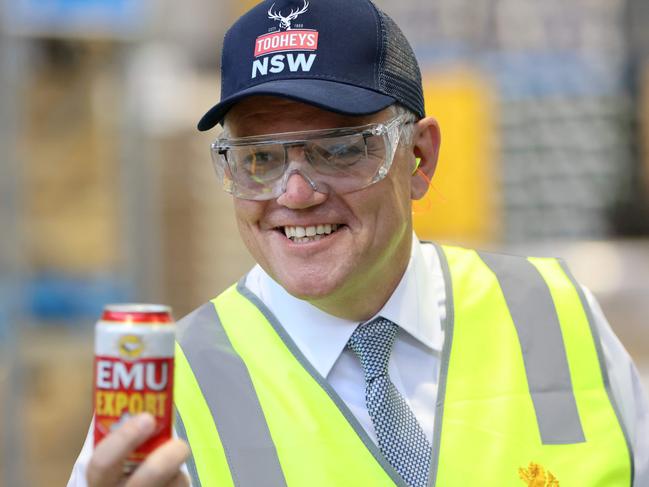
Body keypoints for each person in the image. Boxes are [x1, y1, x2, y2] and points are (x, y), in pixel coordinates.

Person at [69, 0, 649, 485]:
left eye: (340, 148)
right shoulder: (166, 400)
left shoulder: (555, 315)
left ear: (419, 157)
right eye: (259, 159)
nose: (294, 194)